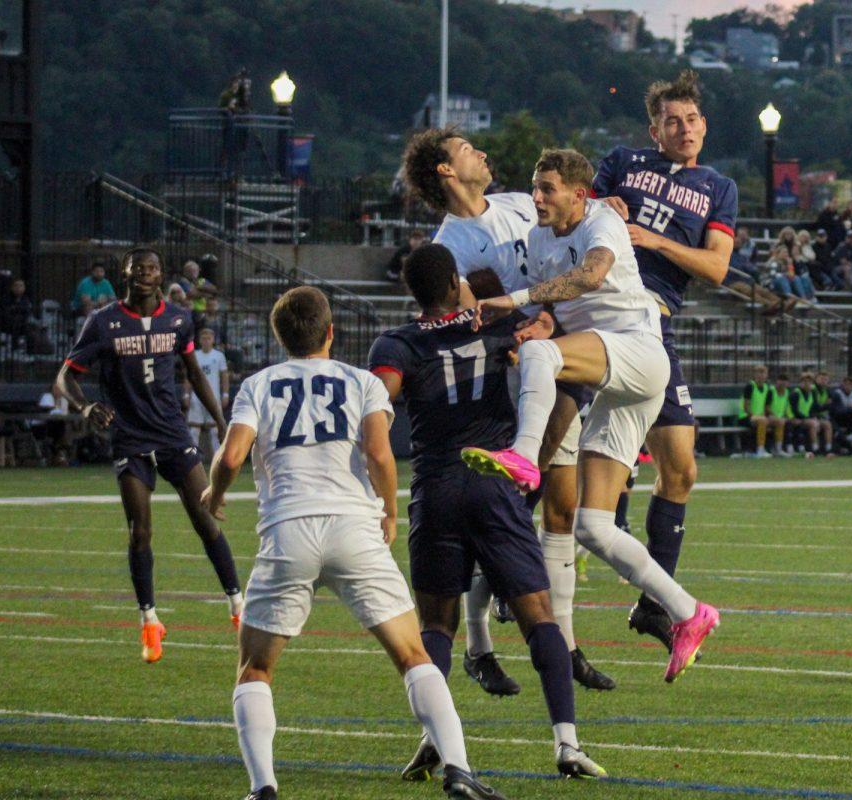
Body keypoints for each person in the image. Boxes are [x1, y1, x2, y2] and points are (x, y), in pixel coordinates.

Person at [202, 286, 507, 800]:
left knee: (255, 667)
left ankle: (263, 788)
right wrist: (389, 510)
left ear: (280, 337)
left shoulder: (258, 384)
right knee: (414, 655)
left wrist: (214, 493)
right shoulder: (362, 381)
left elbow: (231, 458)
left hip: (287, 530)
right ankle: (458, 770)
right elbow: (380, 455)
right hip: (353, 527)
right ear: (330, 332)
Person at [466, 148, 720, 683]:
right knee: (594, 528)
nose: (537, 197)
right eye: (535, 187)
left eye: (548, 188)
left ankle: (523, 457)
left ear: (579, 195)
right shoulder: (539, 238)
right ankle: (688, 612)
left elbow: (590, 275)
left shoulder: (602, 220)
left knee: (545, 358)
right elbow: (552, 310)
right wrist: (535, 322)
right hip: (618, 377)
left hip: (639, 352)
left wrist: (517, 304)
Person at [366, 247, 605, 780]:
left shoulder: (396, 343)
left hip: (437, 486)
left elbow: (378, 405)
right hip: (495, 481)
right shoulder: (501, 325)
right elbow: (553, 345)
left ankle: (435, 737)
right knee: (538, 617)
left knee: (435, 625)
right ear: (455, 282)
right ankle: (567, 743)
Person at [401, 128, 613, 694]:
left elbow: (563, 243)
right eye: (467, 149)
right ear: (446, 171)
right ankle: (480, 640)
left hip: (556, 355)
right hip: (513, 375)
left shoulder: (521, 203)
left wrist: (600, 215)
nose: (482, 153)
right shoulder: (453, 244)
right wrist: (530, 320)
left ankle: (563, 645)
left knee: (559, 509)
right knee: (512, 502)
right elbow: (477, 316)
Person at [591, 70, 736, 656]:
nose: (686, 128)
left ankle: (654, 604)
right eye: (673, 121)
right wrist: (601, 205)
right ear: (654, 130)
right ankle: (511, 577)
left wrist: (654, 242)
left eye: (693, 119)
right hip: (602, 310)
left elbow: (717, 268)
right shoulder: (623, 160)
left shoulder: (718, 187)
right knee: (572, 467)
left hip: (655, 321)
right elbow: (577, 210)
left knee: (680, 469)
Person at [54, 247, 242, 663]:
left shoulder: (178, 317)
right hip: (129, 436)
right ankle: (149, 620)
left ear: (162, 275)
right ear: (125, 273)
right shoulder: (102, 322)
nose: (145, 273)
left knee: (205, 516)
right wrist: (85, 406)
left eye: (153, 268)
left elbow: (193, 372)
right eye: (138, 267)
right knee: (141, 530)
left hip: (173, 433)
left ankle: (237, 605)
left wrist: (221, 420)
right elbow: (65, 377)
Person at [185, 328, 229, 461]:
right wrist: (186, 395)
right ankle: (194, 460)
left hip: (213, 396)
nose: (206, 340)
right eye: (203, 338)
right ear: (199, 340)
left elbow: (224, 376)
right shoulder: (195, 355)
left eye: (208, 338)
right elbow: (189, 376)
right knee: (194, 429)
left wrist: (225, 394)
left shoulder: (219, 356)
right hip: (196, 397)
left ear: (213, 340)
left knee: (215, 429)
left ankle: (218, 459)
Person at [738, 364, 778, 458]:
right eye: (758, 372)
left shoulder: (767, 388)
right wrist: (754, 416)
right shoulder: (750, 386)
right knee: (762, 421)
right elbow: (745, 406)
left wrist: (772, 415)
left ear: (766, 375)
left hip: (759, 417)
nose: (761, 375)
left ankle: (778, 449)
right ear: (754, 375)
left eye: (763, 372)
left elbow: (766, 407)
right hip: (745, 416)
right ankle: (760, 450)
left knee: (779, 421)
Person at [791, 371, 832, 457]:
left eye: (809, 382)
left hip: (808, 418)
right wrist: (807, 418)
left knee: (827, 424)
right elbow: (794, 410)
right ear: (801, 383)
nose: (807, 384)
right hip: (798, 418)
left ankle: (828, 449)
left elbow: (815, 407)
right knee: (813, 423)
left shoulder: (812, 393)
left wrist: (827, 405)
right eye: (804, 381)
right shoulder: (796, 393)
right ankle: (815, 449)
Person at [179, 260, 218, 329]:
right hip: (190, 312)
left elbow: (214, 290)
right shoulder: (183, 281)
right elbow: (191, 294)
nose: (193, 273)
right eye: (190, 271)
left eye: (195, 270)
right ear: (185, 272)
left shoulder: (202, 280)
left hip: (203, 312)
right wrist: (206, 293)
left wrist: (199, 288)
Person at [831, 375, 852, 451]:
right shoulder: (837, 393)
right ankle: (850, 441)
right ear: (843, 384)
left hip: (849, 418)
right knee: (851, 411)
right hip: (838, 418)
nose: (848, 386)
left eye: (850, 385)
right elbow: (838, 410)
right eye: (846, 384)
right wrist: (850, 407)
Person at [0, 277, 35, 346]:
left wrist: (16, 309)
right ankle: (15, 345)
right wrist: (17, 310)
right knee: (16, 322)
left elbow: (27, 311)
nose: (18, 288)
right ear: (12, 287)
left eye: (21, 286)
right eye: (16, 286)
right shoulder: (6, 297)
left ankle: (31, 347)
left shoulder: (25, 298)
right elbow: (5, 311)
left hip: (22, 322)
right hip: (7, 323)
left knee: (32, 327)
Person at [767, 372, 796, 457]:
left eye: (785, 381)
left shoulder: (787, 392)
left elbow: (787, 407)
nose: (783, 383)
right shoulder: (771, 391)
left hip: (780, 418)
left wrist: (791, 417)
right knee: (781, 422)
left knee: (790, 423)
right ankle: (778, 449)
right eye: (781, 381)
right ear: (777, 382)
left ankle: (789, 447)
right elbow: (767, 407)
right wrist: (775, 416)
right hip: (770, 416)